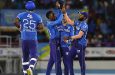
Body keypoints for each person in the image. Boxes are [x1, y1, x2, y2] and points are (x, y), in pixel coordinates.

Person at [14, 1, 43, 75]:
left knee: (25, 57)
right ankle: (30, 68)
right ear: (34, 7)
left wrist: (20, 27)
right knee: (34, 55)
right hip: (33, 39)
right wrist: (36, 28)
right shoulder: (38, 16)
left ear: (26, 6)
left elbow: (15, 22)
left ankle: (25, 73)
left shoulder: (21, 15)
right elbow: (41, 27)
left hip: (24, 39)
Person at [61, 6, 88, 75]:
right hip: (75, 44)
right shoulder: (78, 22)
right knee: (69, 59)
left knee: (81, 62)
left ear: (84, 17)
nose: (79, 15)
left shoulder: (84, 25)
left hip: (81, 45)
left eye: (81, 15)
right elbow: (69, 21)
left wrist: (69, 38)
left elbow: (79, 36)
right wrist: (64, 13)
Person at [45, 1, 63, 75]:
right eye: (52, 15)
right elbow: (59, 20)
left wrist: (59, 7)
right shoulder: (49, 23)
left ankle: (47, 74)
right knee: (57, 60)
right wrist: (62, 13)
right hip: (54, 42)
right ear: (49, 17)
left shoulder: (55, 19)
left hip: (58, 41)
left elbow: (59, 14)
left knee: (51, 61)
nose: (54, 15)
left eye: (54, 14)